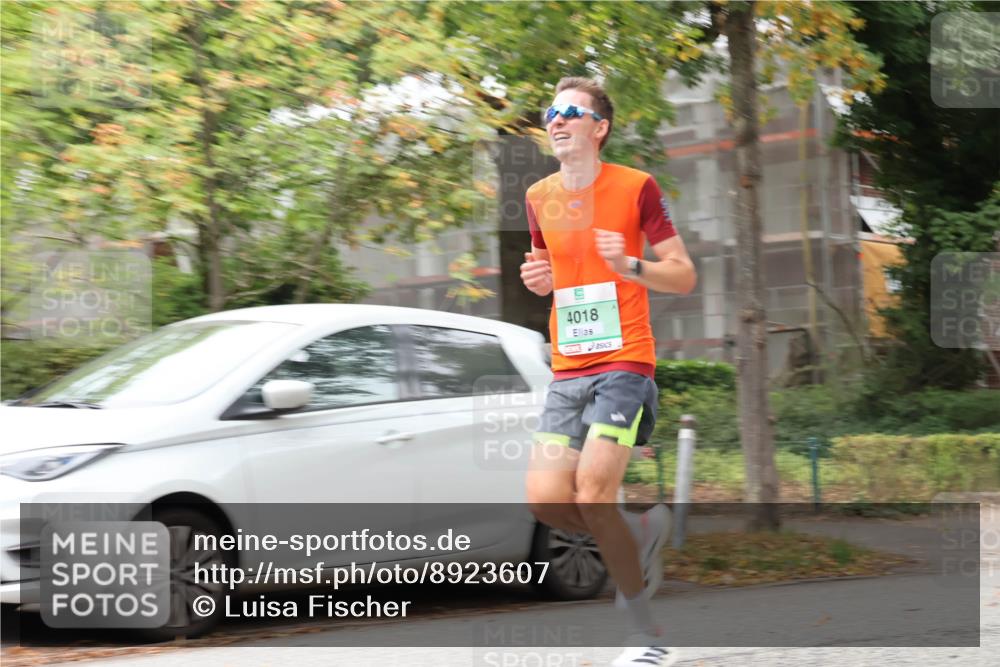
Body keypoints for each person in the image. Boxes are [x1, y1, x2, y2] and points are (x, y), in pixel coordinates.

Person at [520, 77, 696, 667]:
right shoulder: (538, 195)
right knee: (546, 500)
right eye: (552, 111)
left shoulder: (637, 187)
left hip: (625, 363)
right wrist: (541, 282)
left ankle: (647, 640)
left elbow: (683, 275)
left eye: (572, 111)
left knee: (595, 492)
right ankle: (637, 533)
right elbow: (552, 272)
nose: (557, 119)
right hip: (568, 368)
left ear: (600, 128)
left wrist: (632, 264)